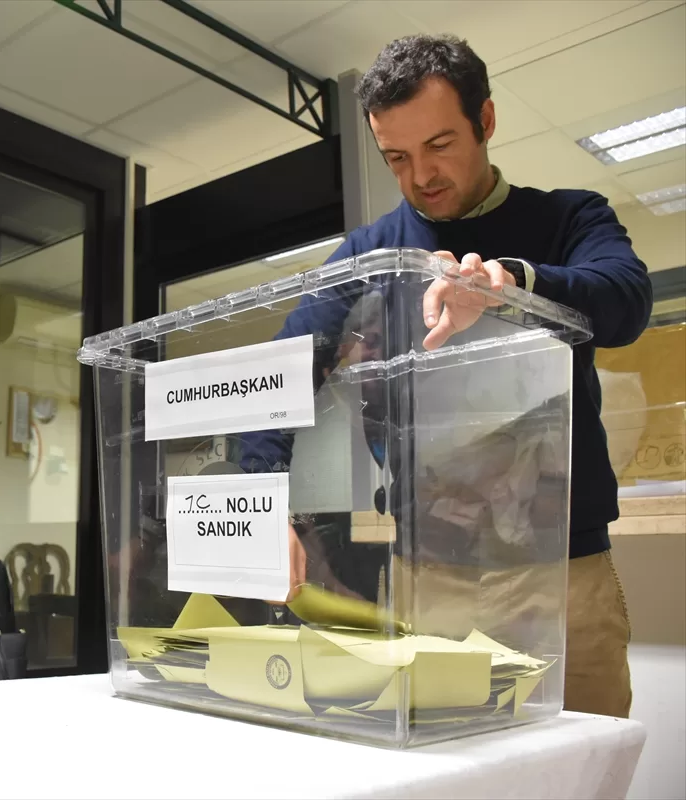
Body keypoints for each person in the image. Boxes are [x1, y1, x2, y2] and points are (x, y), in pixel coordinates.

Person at [244, 34, 649, 718]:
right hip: (428, 577)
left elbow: (625, 301)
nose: (421, 176)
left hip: (560, 570)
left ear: (484, 120)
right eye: (397, 157)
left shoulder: (569, 217)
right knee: (439, 764)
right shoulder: (372, 252)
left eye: (439, 145)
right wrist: (260, 500)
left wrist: (512, 285)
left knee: (586, 756)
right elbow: (278, 371)